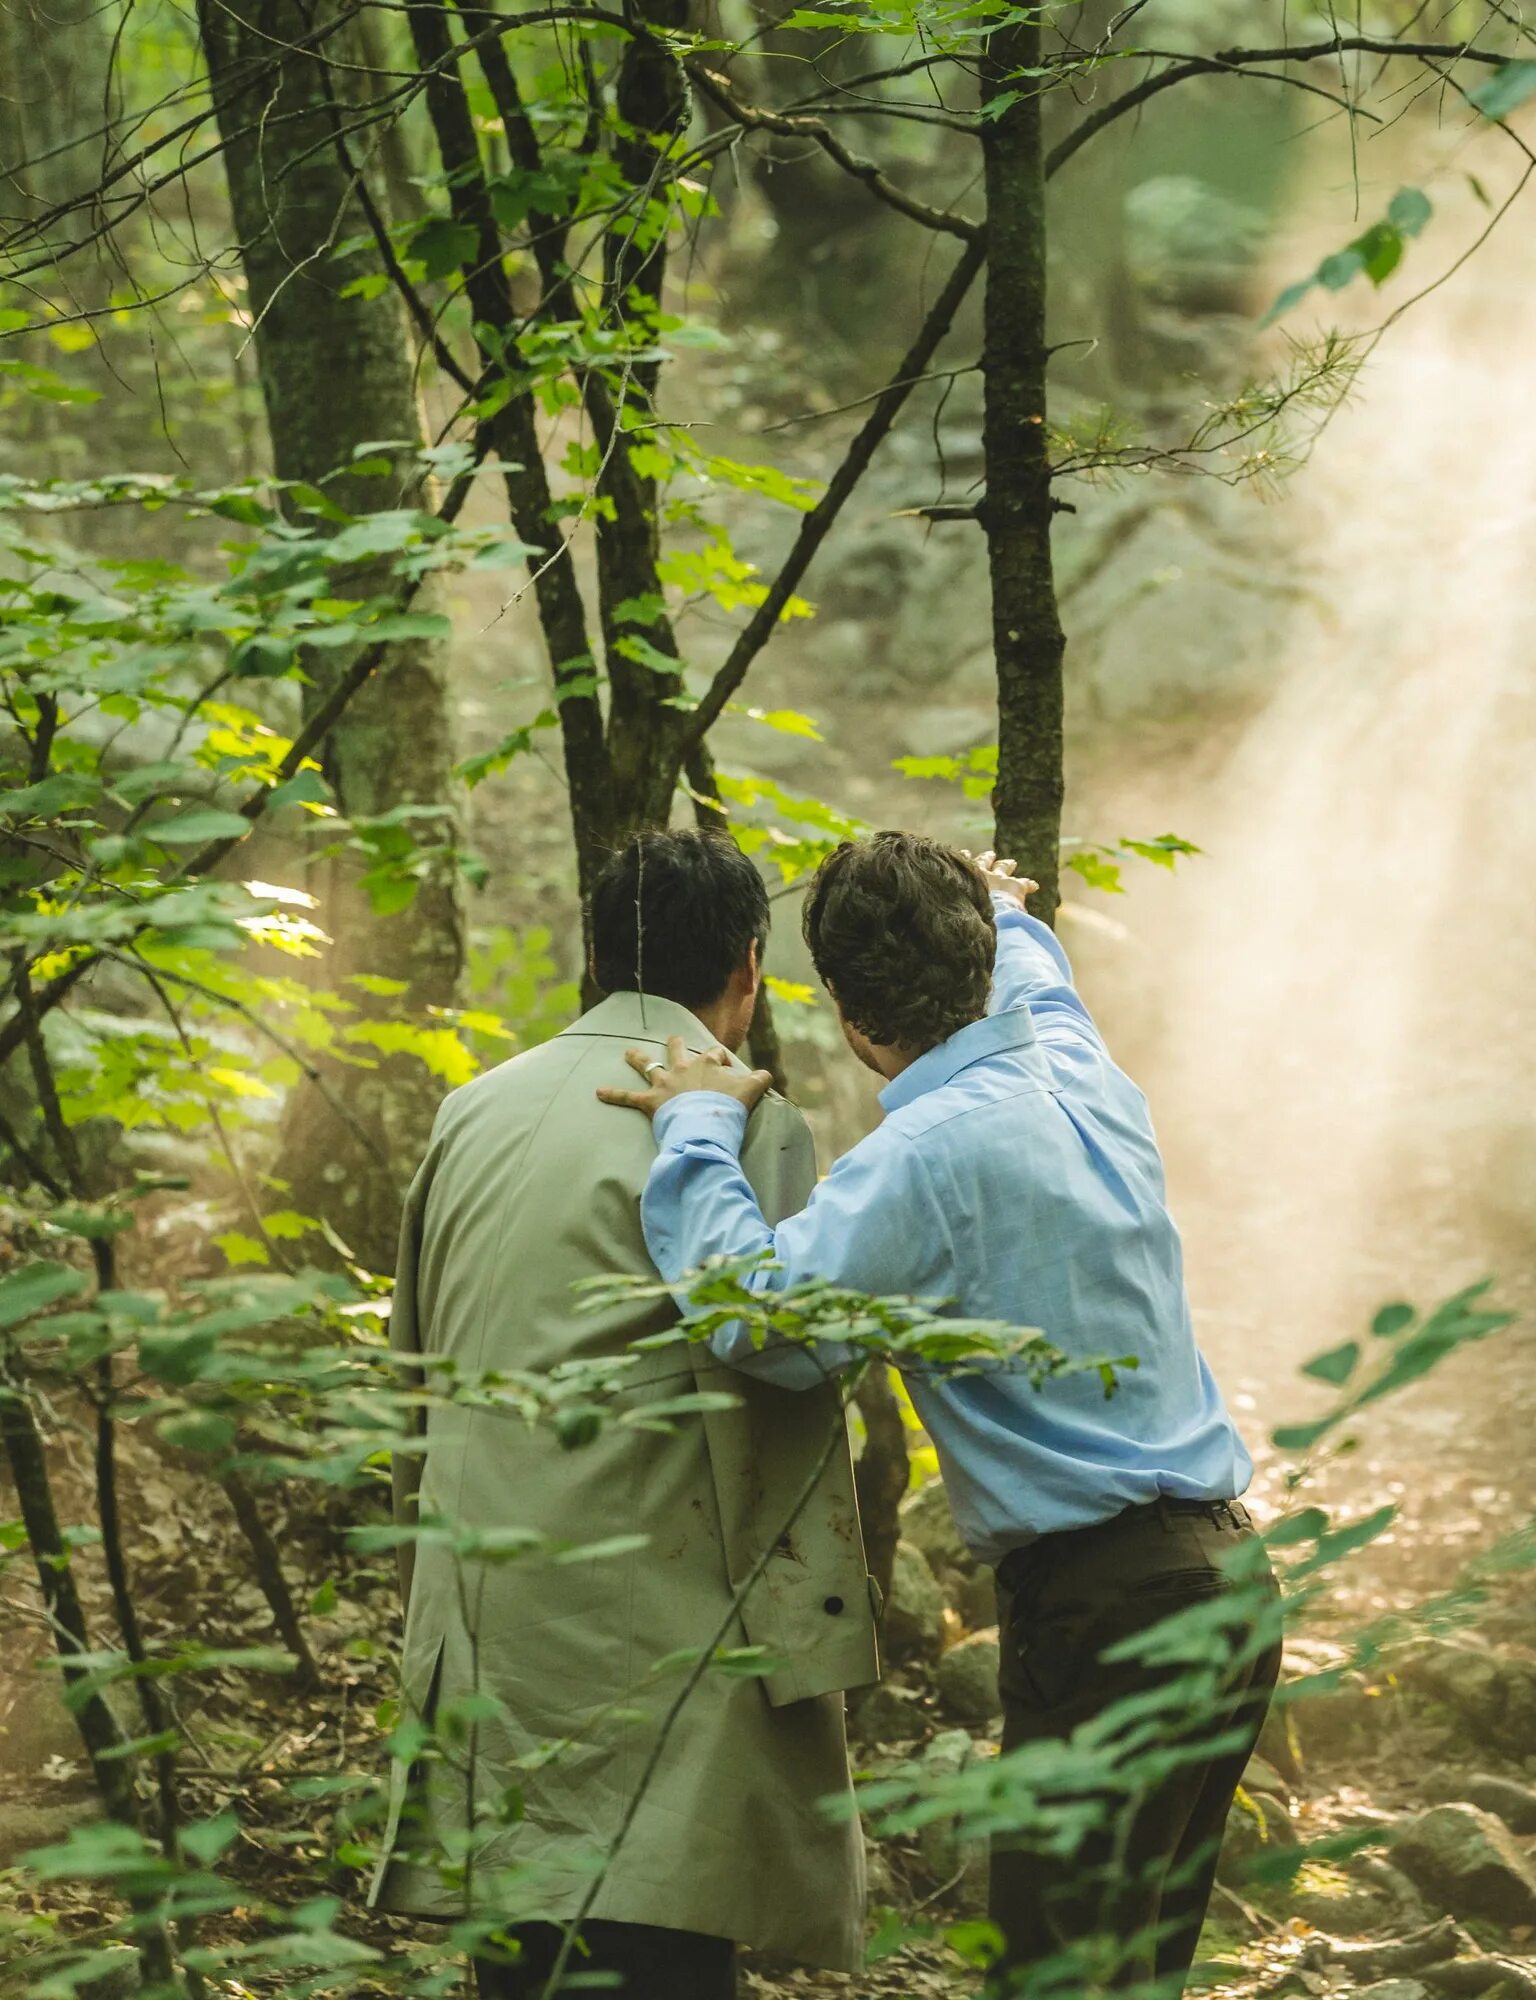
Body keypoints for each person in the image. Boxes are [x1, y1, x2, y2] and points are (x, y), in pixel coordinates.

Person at [598, 831, 1275, 1989]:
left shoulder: (920, 1158)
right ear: (981, 954)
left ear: (853, 1016)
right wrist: (999, 903)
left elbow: (758, 1321)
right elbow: (1034, 970)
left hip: (1109, 1617)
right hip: (1230, 1587)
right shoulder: (1077, 1062)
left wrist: (698, 1123)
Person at [376, 829, 879, 1998]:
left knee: (523, 1960)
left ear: (595, 956)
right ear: (750, 965)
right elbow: (787, 1370)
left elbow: (413, 1378)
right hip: (663, 1642)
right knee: (659, 1948)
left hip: (486, 1628)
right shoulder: (747, 1119)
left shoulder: (471, 1110)